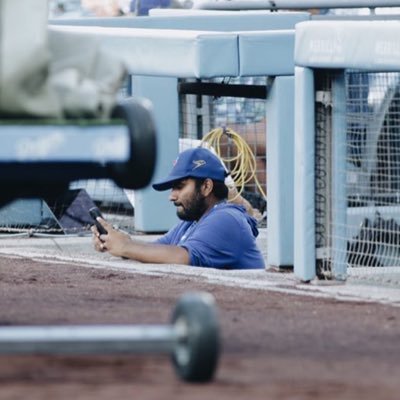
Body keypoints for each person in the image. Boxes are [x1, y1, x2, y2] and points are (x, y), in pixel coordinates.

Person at [92, 147, 265, 269]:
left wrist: (125, 247)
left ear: (206, 186)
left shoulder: (226, 218)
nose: (171, 196)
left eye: (180, 187)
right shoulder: (193, 222)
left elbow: (182, 257)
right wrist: (117, 241)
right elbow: (156, 251)